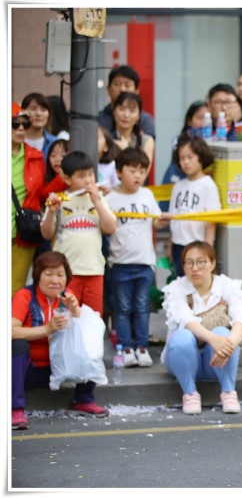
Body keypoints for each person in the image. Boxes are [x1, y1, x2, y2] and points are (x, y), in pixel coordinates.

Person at [12, 251, 110, 430]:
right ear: (38, 276)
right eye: (48, 274)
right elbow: (10, 331)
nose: (54, 280)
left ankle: (83, 399)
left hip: (58, 368)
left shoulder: (66, 296)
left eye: (60, 275)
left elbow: (81, 330)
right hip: (28, 370)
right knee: (18, 346)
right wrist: (46, 329)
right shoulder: (24, 296)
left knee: (87, 338)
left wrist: (75, 312)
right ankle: (14, 408)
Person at [161, 241, 242, 415]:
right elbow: (187, 320)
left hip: (216, 360)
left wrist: (227, 344)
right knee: (182, 337)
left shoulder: (228, 286)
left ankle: (228, 392)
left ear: (212, 263)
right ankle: (190, 393)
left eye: (201, 262)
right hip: (181, 361)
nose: (195, 268)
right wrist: (214, 340)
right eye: (189, 263)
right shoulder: (176, 288)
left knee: (225, 333)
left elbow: (241, 318)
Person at [106, 148, 171, 368]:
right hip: (119, 263)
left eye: (142, 171)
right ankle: (125, 347)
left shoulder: (147, 194)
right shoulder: (110, 198)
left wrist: (163, 220)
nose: (137, 176)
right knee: (122, 308)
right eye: (132, 170)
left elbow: (155, 222)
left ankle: (142, 346)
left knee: (142, 307)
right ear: (118, 172)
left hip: (144, 262)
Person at [40, 151, 117, 317]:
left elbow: (110, 228)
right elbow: (46, 234)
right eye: (81, 176)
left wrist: (97, 201)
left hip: (94, 269)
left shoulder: (98, 198)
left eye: (90, 174)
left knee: (93, 318)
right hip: (65, 273)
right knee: (66, 317)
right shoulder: (58, 200)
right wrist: (52, 212)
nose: (88, 180)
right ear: (67, 179)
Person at [168, 134, 221, 278]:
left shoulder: (208, 186)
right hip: (178, 245)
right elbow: (174, 217)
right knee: (180, 284)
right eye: (182, 158)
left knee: (197, 285)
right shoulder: (178, 186)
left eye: (190, 157)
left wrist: (207, 249)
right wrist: (170, 245)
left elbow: (211, 220)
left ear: (200, 157)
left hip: (197, 246)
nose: (185, 162)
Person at [11, 102, 46, 295]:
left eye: (25, 124)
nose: (21, 129)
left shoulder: (35, 156)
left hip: (21, 233)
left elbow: (42, 195)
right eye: (15, 124)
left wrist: (63, 182)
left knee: (14, 290)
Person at [98, 65, 156, 139]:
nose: (122, 89)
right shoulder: (98, 120)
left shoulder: (145, 120)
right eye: (117, 84)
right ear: (108, 89)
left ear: (136, 91)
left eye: (127, 85)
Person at [111, 92, 155, 172]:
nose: (126, 115)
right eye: (121, 109)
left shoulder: (146, 141)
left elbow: (143, 173)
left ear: (139, 116)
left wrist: (126, 150)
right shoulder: (105, 139)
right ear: (114, 111)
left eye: (132, 111)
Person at [21, 93, 58, 161]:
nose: (38, 114)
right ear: (23, 112)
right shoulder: (15, 141)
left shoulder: (55, 143)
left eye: (43, 110)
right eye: (33, 109)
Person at [96, 125, 121, 195]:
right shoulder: (80, 164)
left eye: (97, 137)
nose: (92, 140)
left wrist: (110, 192)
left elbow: (118, 188)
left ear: (106, 147)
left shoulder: (112, 165)